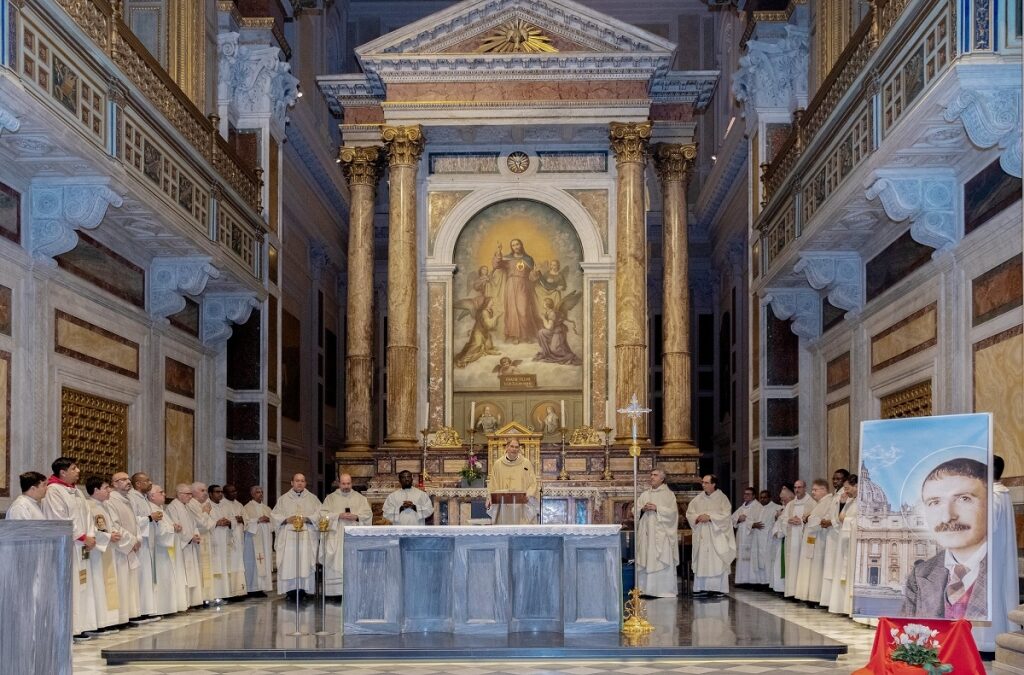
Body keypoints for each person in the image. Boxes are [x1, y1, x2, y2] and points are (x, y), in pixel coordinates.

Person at [901, 457, 988, 619]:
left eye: (964, 499)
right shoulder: (920, 574)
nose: (947, 517)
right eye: (935, 502)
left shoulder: (1002, 570)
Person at [43, 457, 98, 640]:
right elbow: (58, 518)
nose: (78, 471)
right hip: (68, 545)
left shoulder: (76, 491)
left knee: (82, 585)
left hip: (82, 545)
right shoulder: (53, 491)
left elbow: (88, 515)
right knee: (70, 586)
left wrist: (90, 535)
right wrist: (81, 536)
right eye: (74, 468)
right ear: (62, 472)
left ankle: (81, 625)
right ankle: (70, 628)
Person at [974, 455, 1021, 651]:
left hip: (988, 558)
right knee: (999, 595)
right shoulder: (1003, 493)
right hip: (997, 556)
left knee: (989, 597)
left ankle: (985, 643)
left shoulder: (992, 495)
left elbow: (986, 526)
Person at [84, 476, 126, 631]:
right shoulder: (89, 506)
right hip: (96, 553)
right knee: (99, 585)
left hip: (108, 550)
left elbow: (111, 525)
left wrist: (114, 533)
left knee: (108, 584)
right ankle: (100, 622)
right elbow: (90, 530)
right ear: (95, 490)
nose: (110, 491)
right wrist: (109, 536)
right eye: (106, 488)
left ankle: (108, 620)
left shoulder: (105, 506)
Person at [271, 473, 322, 597]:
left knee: (305, 562)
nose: (300, 483)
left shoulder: (313, 499)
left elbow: (321, 514)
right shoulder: (283, 499)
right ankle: (290, 591)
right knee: (289, 564)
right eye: (297, 480)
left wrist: (308, 519)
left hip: (306, 537)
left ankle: (305, 590)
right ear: (292, 482)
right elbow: (274, 516)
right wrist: (286, 519)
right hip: (288, 538)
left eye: (302, 481)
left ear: (305, 483)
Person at [685, 475, 736, 597]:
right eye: (703, 482)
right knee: (703, 560)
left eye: (706, 483)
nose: (703, 485)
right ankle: (701, 588)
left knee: (716, 561)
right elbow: (689, 513)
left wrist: (710, 517)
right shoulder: (697, 499)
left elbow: (726, 516)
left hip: (717, 536)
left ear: (714, 484)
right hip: (702, 536)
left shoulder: (722, 498)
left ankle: (718, 589)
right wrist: (697, 518)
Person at [322, 473, 373, 596]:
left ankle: (353, 590)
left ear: (352, 483)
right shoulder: (330, 498)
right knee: (337, 562)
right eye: (343, 483)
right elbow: (323, 515)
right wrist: (338, 516)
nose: (346, 486)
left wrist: (356, 516)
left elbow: (368, 514)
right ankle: (335, 593)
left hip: (354, 535)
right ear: (339, 484)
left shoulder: (360, 498)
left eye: (348, 483)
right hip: (336, 535)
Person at [636, 469, 679, 598]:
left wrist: (657, 508)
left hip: (662, 534)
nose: (652, 477)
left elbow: (673, 513)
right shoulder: (645, 494)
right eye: (651, 475)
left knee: (661, 560)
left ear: (662, 479)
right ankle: (645, 590)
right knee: (646, 557)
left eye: (655, 475)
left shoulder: (668, 495)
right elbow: (635, 509)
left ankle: (662, 591)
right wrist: (642, 509)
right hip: (647, 533)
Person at [491, 238, 542, 344]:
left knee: (523, 310)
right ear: (511, 247)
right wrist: (499, 251)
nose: (515, 247)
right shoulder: (508, 259)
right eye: (513, 245)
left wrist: (536, 272)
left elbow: (532, 278)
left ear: (521, 245)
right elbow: (496, 265)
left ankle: (526, 335)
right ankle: (515, 336)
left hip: (523, 284)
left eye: (517, 244)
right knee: (512, 311)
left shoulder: (528, 259)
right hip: (510, 285)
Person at [107, 472, 142, 623]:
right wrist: (131, 540)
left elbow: (135, 523)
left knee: (129, 582)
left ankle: (129, 615)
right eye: (123, 480)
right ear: (114, 484)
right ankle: (120, 617)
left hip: (130, 545)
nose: (128, 481)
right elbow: (114, 525)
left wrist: (138, 538)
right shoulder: (111, 501)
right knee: (120, 581)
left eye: (128, 479)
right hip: (120, 548)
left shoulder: (128, 500)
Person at [127, 472, 162, 621]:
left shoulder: (143, 498)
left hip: (148, 542)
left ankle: (146, 609)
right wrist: (149, 518)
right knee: (140, 577)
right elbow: (132, 519)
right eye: (147, 480)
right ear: (138, 484)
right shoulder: (132, 498)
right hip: (140, 542)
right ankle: (138, 611)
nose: (150, 482)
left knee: (146, 576)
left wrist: (153, 518)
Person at [145, 485, 183, 616]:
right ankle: (161, 608)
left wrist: (173, 527)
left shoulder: (161, 509)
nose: (164, 494)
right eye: (160, 492)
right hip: (159, 551)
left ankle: (168, 607)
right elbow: (159, 532)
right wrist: (173, 528)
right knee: (162, 579)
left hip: (165, 550)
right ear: (152, 496)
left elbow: (165, 527)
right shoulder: (151, 509)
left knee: (167, 578)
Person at [166, 483, 204, 609]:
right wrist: (189, 537)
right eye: (188, 494)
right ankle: (184, 602)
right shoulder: (172, 507)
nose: (190, 496)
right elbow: (176, 527)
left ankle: (192, 601)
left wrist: (196, 534)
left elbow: (193, 525)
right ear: (179, 494)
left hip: (190, 544)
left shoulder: (185, 507)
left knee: (192, 574)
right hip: (181, 546)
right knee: (185, 575)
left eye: (191, 494)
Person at [795, 478, 833, 603]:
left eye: (815, 490)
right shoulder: (820, 503)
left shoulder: (829, 501)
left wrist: (809, 518)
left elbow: (823, 520)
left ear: (823, 490)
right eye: (812, 490)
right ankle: (810, 596)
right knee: (810, 568)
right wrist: (808, 518)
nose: (813, 492)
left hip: (820, 541)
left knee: (816, 569)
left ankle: (815, 597)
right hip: (813, 540)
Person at [485, 439, 538, 524]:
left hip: (521, 505)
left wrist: (528, 495)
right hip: (502, 504)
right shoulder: (498, 464)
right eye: (512, 446)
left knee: (520, 530)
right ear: (506, 447)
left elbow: (533, 482)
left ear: (519, 449)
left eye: (516, 447)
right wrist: (489, 497)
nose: (514, 449)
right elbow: (492, 484)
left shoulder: (526, 463)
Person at [818, 469, 850, 606]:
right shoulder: (834, 495)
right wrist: (825, 519)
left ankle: (837, 602)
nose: (835, 481)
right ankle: (828, 601)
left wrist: (831, 522)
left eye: (839, 479)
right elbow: (831, 512)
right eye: (834, 478)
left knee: (837, 568)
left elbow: (845, 514)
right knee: (829, 568)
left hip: (839, 535)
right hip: (831, 535)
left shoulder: (845, 494)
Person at [827, 475, 858, 615]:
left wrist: (847, 519)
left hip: (854, 544)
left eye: (847, 488)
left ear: (856, 486)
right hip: (846, 541)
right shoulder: (851, 501)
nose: (845, 491)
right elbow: (840, 518)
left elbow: (860, 520)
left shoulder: (861, 502)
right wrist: (842, 505)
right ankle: (844, 607)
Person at [778, 480, 812, 597]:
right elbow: (783, 519)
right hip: (792, 541)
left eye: (799, 487)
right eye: (795, 487)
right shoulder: (790, 504)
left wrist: (802, 521)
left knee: (803, 567)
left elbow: (814, 519)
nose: (797, 490)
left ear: (805, 488)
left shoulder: (811, 503)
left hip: (804, 541)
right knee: (792, 566)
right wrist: (789, 520)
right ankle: (791, 592)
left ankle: (801, 594)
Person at [187, 481, 216, 605]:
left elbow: (211, 524)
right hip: (197, 542)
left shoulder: (204, 505)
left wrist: (206, 516)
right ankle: (199, 599)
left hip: (206, 541)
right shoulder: (191, 505)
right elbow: (202, 524)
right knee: (199, 570)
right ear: (193, 492)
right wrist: (206, 513)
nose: (205, 493)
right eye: (202, 490)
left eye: (205, 490)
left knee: (207, 570)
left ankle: (206, 597)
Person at [242, 486, 274, 595]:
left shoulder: (267, 508)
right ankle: (252, 588)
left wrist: (269, 520)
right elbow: (245, 524)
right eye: (257, 492)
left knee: (264, 563)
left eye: (261, 492)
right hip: (253, 541)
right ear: (252, 494)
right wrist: (258, 520)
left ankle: (261, 588)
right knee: (253, 564)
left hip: (265, 541)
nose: (260, 494)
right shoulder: (246, 508)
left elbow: (274, 524)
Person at [206, 485, 234, 603]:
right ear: (210, 493)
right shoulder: (206, 506)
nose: (220, 494)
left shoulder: (225, 505)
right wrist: (216, 523)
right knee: (215, 568)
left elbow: (232, 519)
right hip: (214, 542)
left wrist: (229, 522)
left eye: (221, 492)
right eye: (217, 492)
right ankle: (214, 596)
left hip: (224, 540)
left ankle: (224, 594)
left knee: (224, 567)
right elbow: (204, 522)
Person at [221, 485, 248, 598]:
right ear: (225, 493)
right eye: (231, 491)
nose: (234, 493)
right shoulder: (221, 504)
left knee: (239, 565)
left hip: (239, 539)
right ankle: (230, 592)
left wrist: (241, 519)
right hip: (228, 540)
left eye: (235, 491)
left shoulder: (239, 505)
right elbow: (224, 521)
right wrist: (234, 520)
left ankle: (239, 592)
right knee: (230, 565)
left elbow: (247, 519)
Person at [732, 487, 763, 586]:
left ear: (754, 496)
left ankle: (751, 581)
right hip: (741, 536)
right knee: (741, 559)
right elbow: (732, 518)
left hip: (751, 537)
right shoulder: (742, 507)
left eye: (748, 494)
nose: (745, 496)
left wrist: (747, 520)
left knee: (750, 559)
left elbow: (759, 521)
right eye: (745, 494)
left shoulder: (758, 507)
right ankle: (741, 580)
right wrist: (738, 519)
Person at [769, 484, 794, 593]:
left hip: (786, 539)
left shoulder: (792, 507)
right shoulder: (782, 509)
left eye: (784, 495)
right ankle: (780, 588)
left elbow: (786, 523)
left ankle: (785, 589)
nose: (781, 498)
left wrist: (779, 533)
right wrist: (775, 531)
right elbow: (777, 524)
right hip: (779, 541)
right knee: (778, 565)